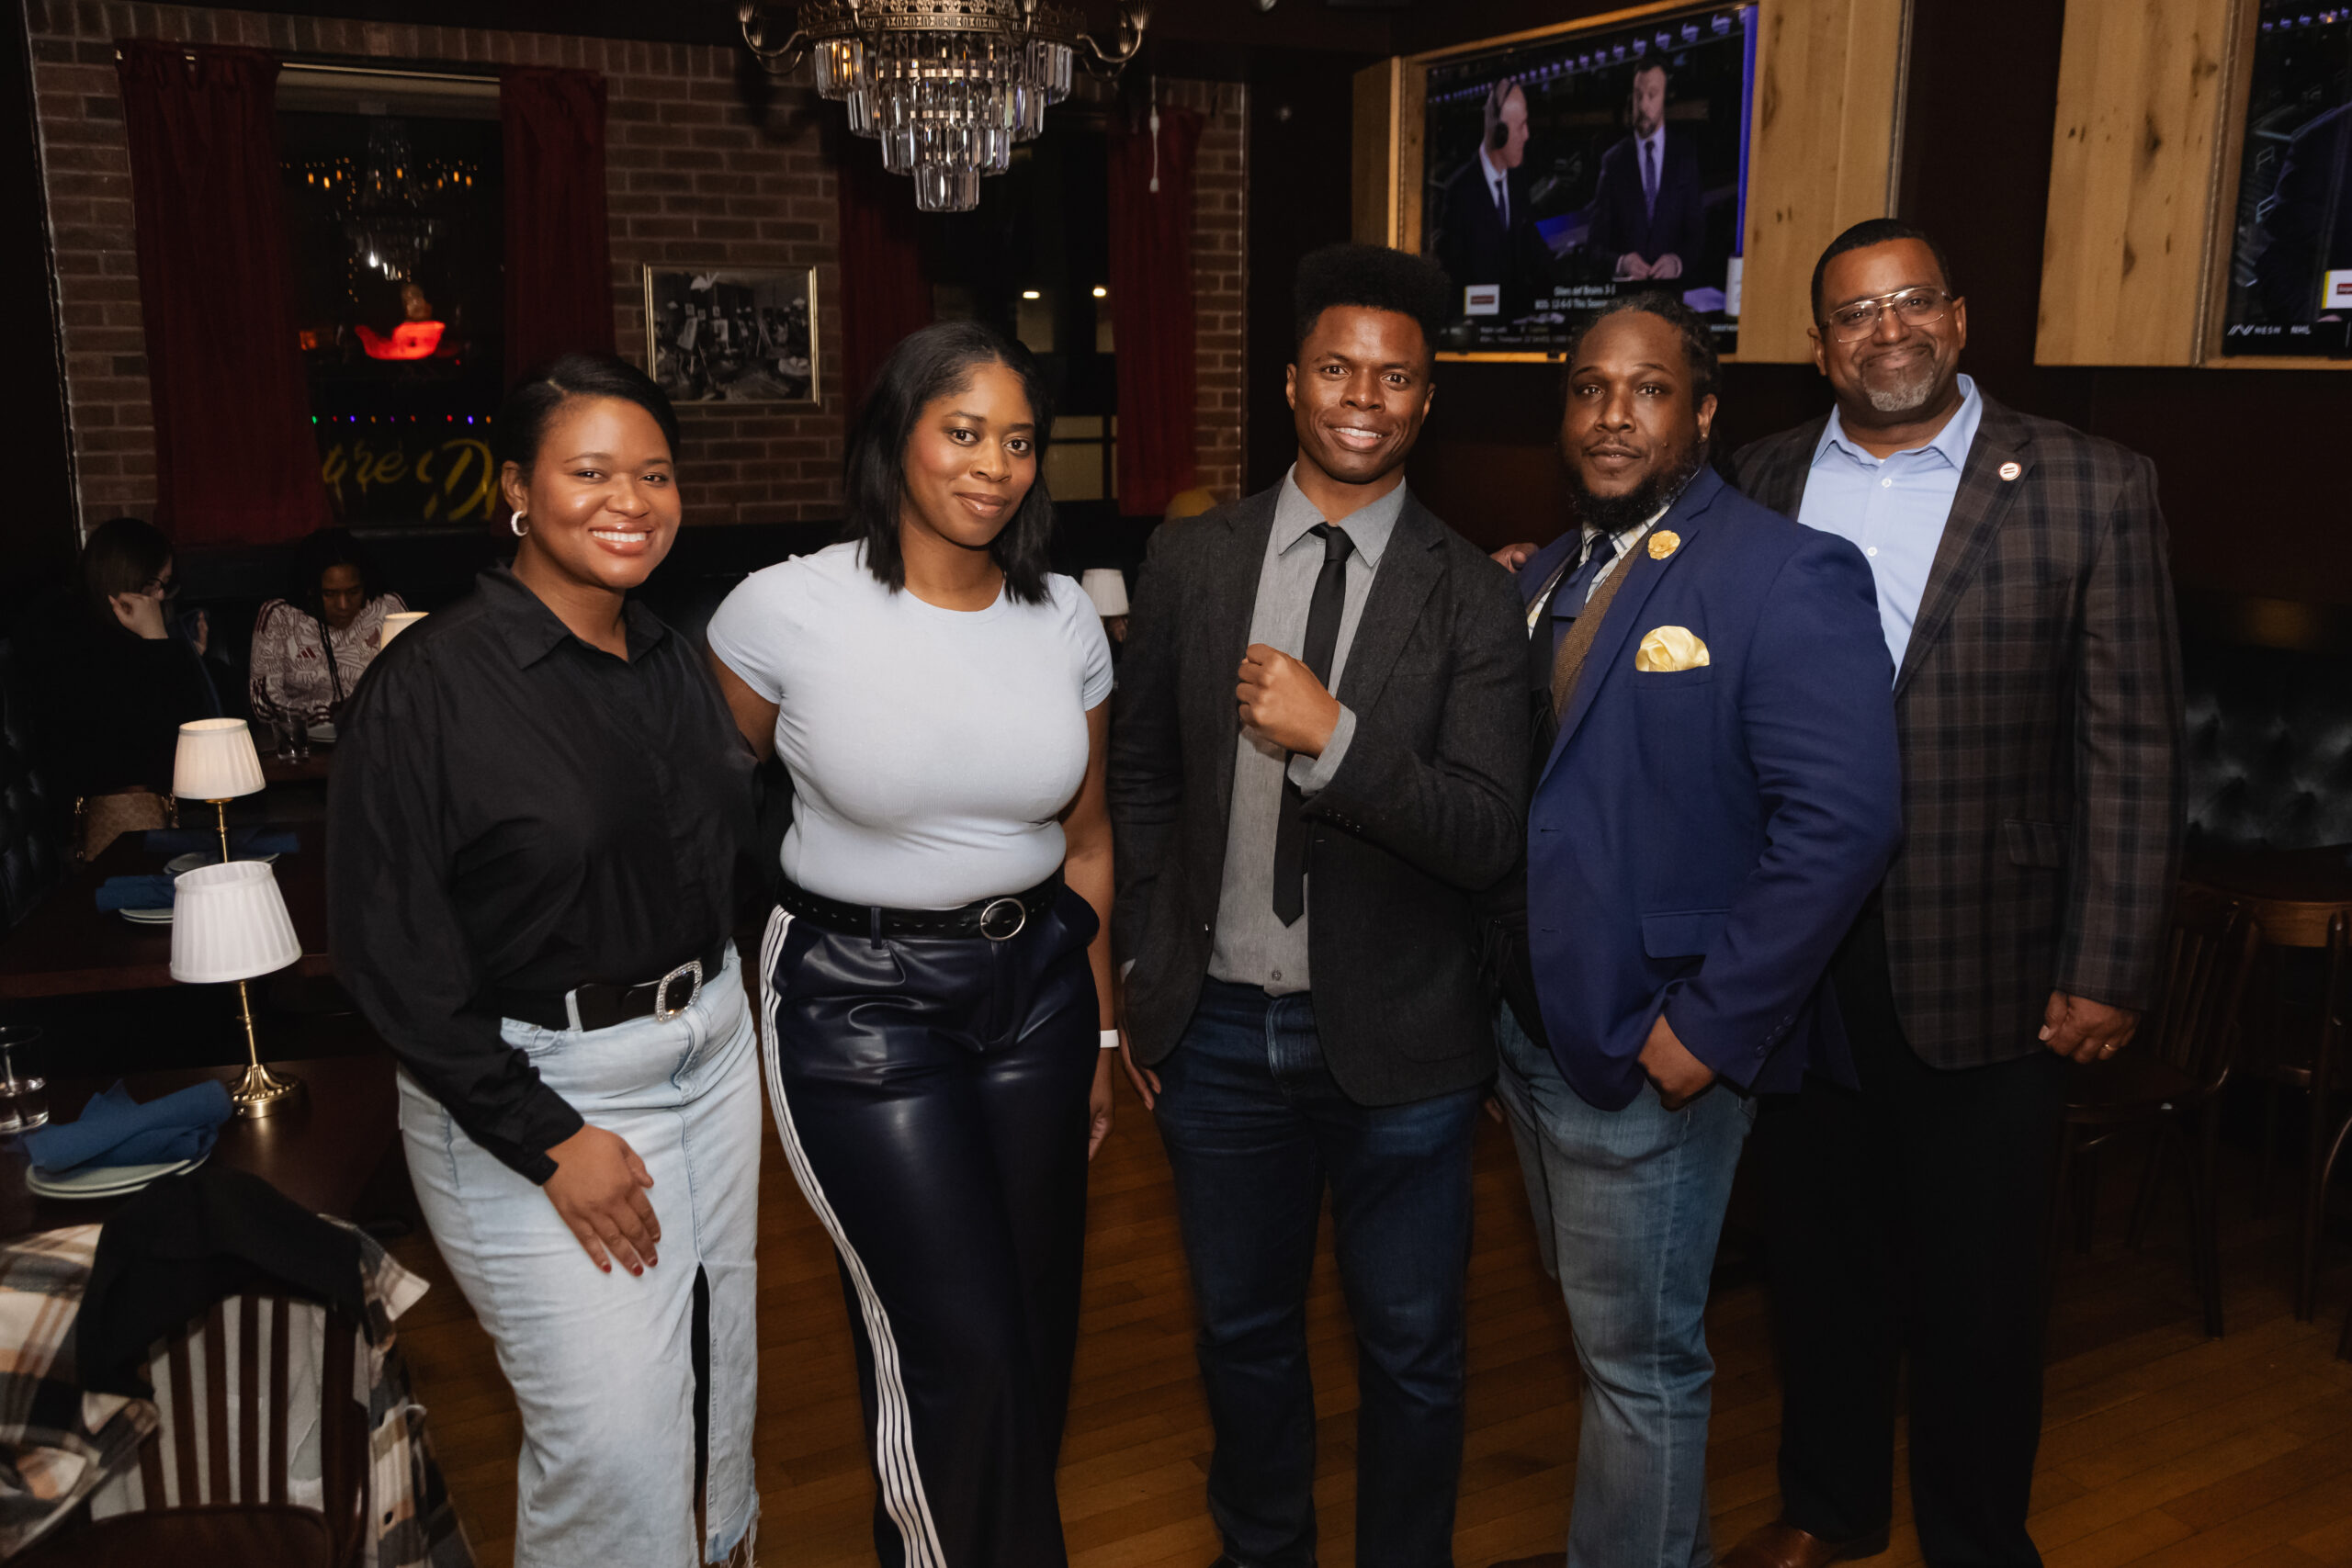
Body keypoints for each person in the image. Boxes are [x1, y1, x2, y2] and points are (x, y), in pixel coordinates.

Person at [1721, 219, 2183, 1568]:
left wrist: (2109, 962)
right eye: (1855, 313)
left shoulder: (2093, 485)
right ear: (1819, 346)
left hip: (1993, 954)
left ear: (1960, 318)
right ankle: (1830, 1507)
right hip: (1798, 959)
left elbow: (2135, 745)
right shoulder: (1757, 479)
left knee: (1981, 1291)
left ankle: (1977, 1540)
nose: (1888, 331)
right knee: (1818, 1262)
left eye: (1911, 301)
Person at [1108, 243, 1526, 1568]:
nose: (1364, 397)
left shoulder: (1475, 593)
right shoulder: (1192, 560)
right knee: (1241, 1336)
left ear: (1426, 400)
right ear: (1291, 382)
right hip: (1218, 1034)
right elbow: (1142, 778)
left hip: (1406, 1043)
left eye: (1394, 377)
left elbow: (1485, 832)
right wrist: (1146, 978)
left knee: (1411, 1350)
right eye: (1338, 368)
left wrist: (1333, 738)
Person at [1484, 294, 1902, 1568]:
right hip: (1534, 1034)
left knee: (1640, 1364)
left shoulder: (1784, 570)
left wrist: (1709, 1030)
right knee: (1608, 1345)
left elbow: (1842, 824)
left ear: (1703, 414)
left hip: (1653, 1039)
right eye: (1589, 389)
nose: (1613, 416)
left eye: (1648, 389)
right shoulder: (1546, 574)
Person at [328, 355, 761, 1568]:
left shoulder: (668, 655)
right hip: (535, 1089)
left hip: (712, 1055)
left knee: (716, 1384)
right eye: (591, 472)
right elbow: (388, 954)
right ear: (517, 489)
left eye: (655, 474)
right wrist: (549, 1135)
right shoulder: (429, 687)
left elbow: (720, 862)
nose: (631, 500)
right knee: (613, 1444)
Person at [705, 321, 1119, 1568]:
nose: (994, 465)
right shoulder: (784, 608)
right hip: (857, 1003)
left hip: (1038, 993)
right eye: (963, 432)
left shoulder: (1064, 617)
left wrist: (1102, 1033)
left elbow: (1088, 841)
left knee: (1032, 1335)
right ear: (897, 436)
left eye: (1019, 441)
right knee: (955, 1345)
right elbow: (699, 820)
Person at [22, 516, 220, 850]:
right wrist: (158, 643)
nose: (160, 595)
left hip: (158, 813)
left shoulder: (123, 641)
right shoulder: (76, 645)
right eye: (155, 583)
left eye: (166, 584)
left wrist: (175, 654)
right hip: (106, 827)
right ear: (124, 576)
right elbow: (170, 742)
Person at [247, 527, 408, 737]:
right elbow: (263, 703)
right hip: (308, 743)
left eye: (353, 592)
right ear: (310, 589)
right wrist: (317, 714)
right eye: (329, 594)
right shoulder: (281, 617)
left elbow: (413, 679)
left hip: (380, 735)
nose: (343, 605)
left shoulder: (388, 608)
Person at [1431, 77, 1552, 312]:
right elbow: (1454, 277)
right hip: (1477, 320)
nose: (1527, 135)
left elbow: (1533, 248)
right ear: (1499, 133)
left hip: (1519, 320)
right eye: (1521, 126)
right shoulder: (1460, 191)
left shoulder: (1517, 181)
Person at [1587, 62, 1706, 283]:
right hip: (1628, 298)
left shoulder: (1685, 156)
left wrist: (1677, 263)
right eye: (1638, 95)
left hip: (1672, 294)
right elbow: (1594, 247)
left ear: (1665, 99)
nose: (1643, 105)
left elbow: (1697, 237)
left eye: (1652, 95)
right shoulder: (1613, 162)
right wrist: (1621, 263)